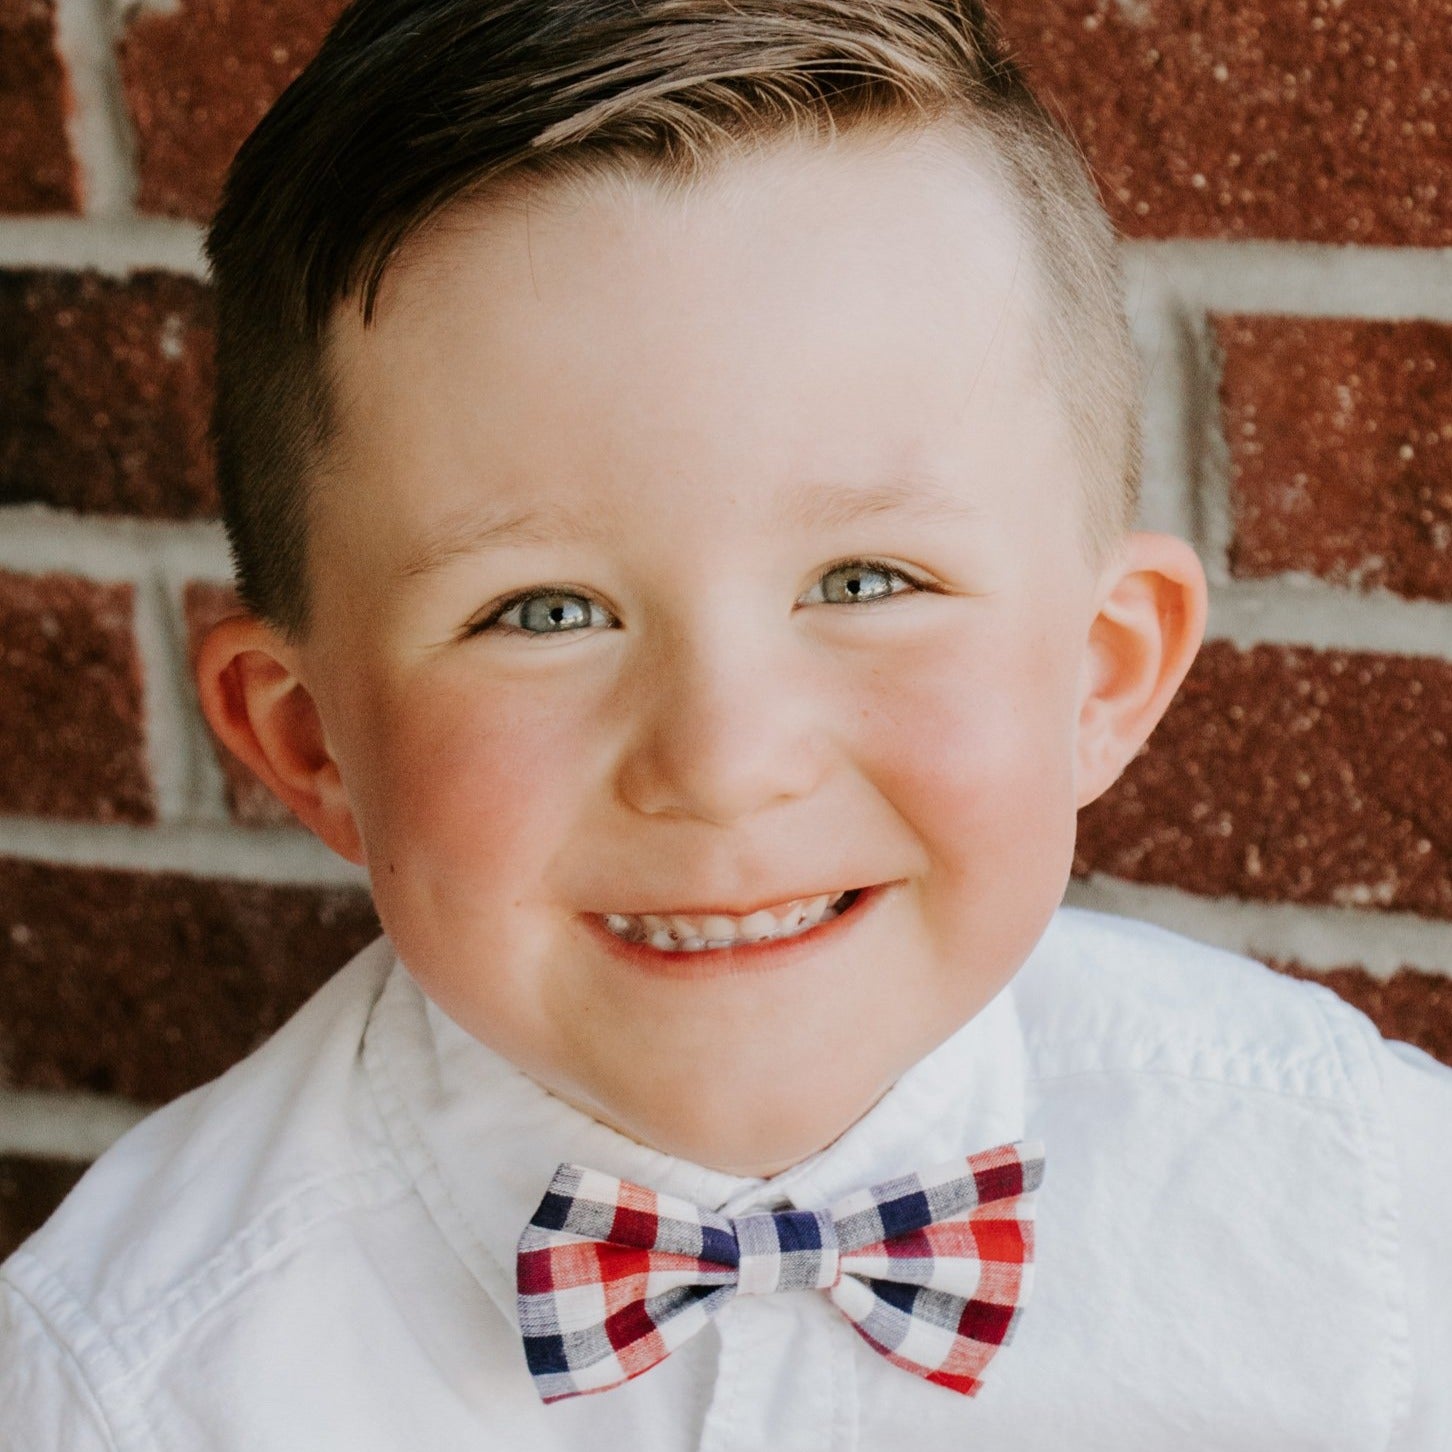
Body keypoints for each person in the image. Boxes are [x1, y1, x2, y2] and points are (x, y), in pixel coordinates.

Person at [3, 1, 1448, 1446]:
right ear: (313, 743)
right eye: (544, 612)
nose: (725, 763)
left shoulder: (1375, 1222)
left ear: (1103, 672)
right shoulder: (115, 1385)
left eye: (868, 580)